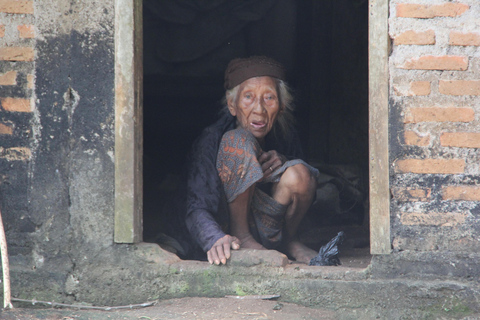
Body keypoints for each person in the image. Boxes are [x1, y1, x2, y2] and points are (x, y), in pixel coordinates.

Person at [168, 56, 319, 265]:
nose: (259, 109)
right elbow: (195, 207)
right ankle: (244, 236)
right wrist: (214, 238)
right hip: (225, 230)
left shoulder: (285, 134)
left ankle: (289, 241)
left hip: (267, 228)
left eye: (269, 98)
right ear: (232, 104)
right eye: (248, 97)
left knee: (300, 173)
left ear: (281, 106)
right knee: (237, 142)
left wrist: (284, 162)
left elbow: (309, 182)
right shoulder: (211, 139)